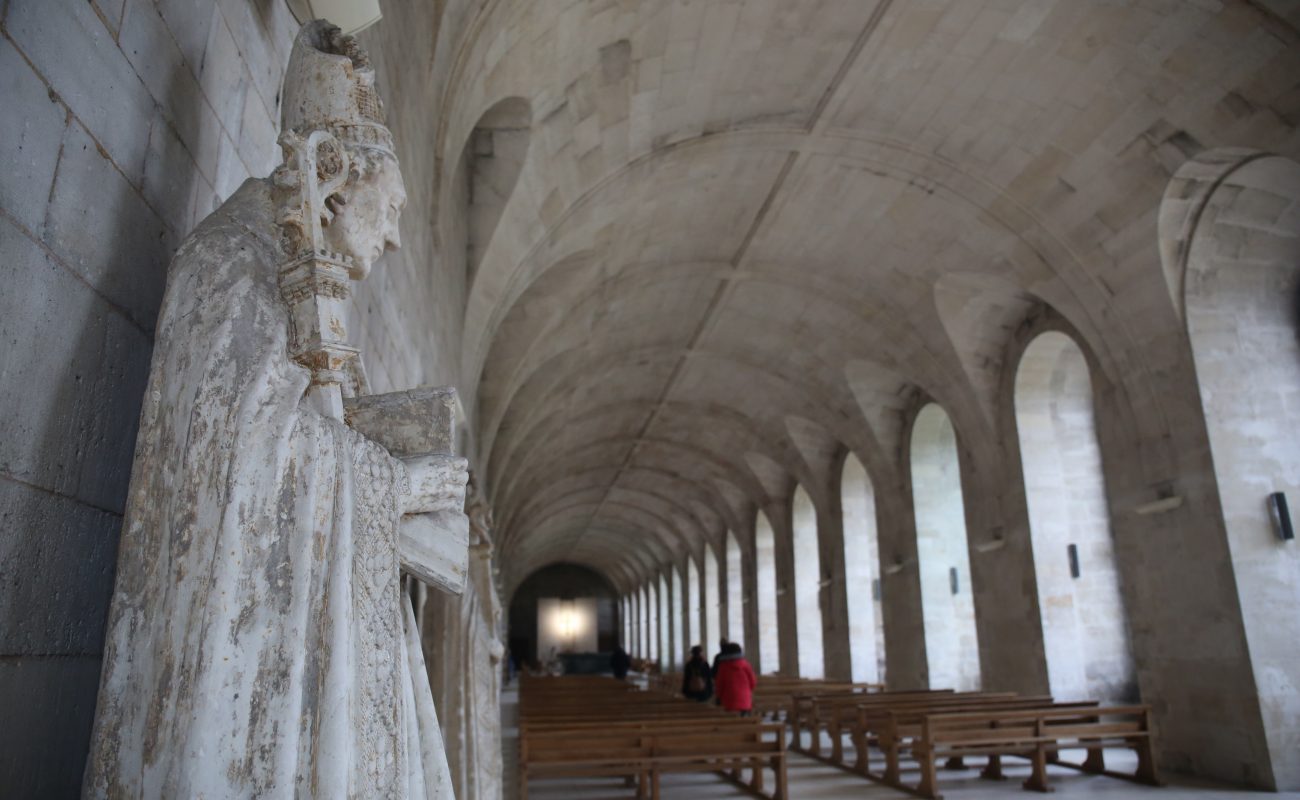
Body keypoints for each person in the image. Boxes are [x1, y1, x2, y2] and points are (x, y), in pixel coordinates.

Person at [713, 642, 757, 716]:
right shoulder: (746, 664)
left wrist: (718, 697)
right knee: (745, 722)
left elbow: (719, 685)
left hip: (729, 700)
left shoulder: (723, 666)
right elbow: (753, 682)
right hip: (745, 700)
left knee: (732, 723)